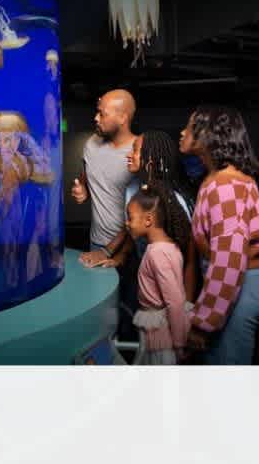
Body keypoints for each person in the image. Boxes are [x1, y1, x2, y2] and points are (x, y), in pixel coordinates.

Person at [179, 105, 259, 364]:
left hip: (238, 286)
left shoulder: (225, 185)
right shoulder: (218, 179)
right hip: (232, 287)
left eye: (189, 126)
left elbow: (230, 258)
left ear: (209, 134)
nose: (182, 132)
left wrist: (204, 322)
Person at [97, 131, 198, 302]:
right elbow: (135, 229)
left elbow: (190, 259)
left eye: (135, 151)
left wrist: (187, 304)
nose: (129, 155)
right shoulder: (133, 189)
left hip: (170, 277)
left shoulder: (173, 202)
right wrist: (119, 258)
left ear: (150, 160)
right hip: (143, 268)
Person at [125, 185, 191, 365]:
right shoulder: (169, 246)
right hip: (160, 337)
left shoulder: (157, 254)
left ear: (148, 220)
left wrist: (179, 344)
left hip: (163, 341)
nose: (127, 223)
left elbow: (175, 301)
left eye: (130, 218)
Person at [71, 89, 137, 265]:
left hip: (131, 245)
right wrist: (83, 189)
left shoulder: (139, 153)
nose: (96, 118)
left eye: (102, 114)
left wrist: (111, 252)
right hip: (96, 242)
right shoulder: (91, 144)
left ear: (122, 118)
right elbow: (87, 176)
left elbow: (146, 213)